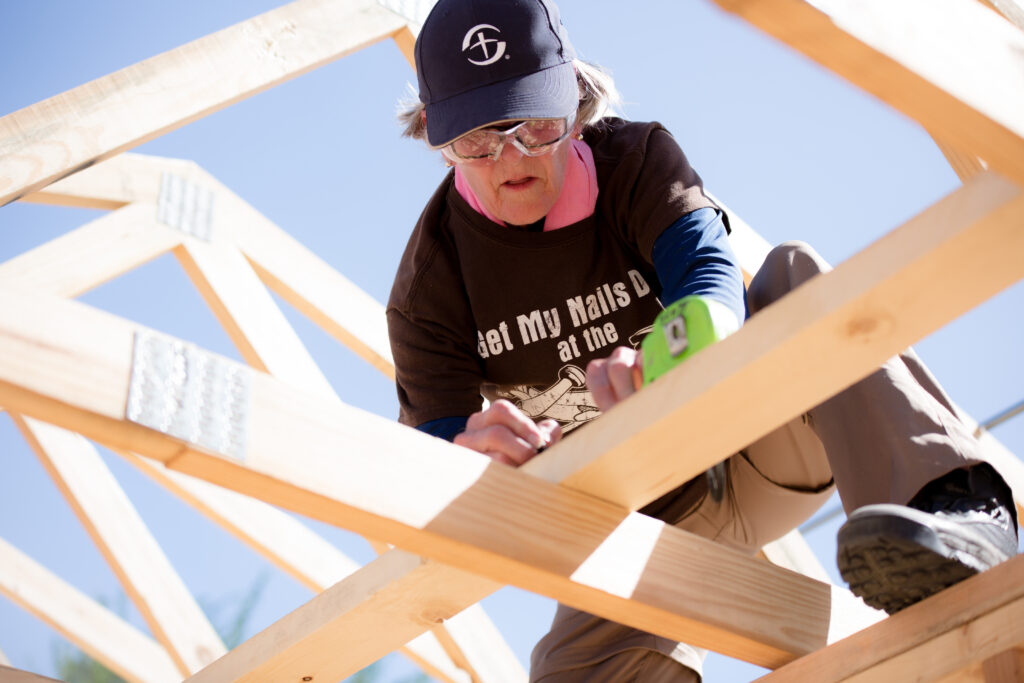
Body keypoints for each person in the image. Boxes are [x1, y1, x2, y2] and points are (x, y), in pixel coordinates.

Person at [386, 0, 1020, 679]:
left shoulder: (634, 161)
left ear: (575, 100)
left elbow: (713, 281)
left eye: (535, 127)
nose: (510, 158)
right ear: (432, 133)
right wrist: (464, 460)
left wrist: (672, 353)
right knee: (570, 672)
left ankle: (957, 507)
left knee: (796, 278)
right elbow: (428, 470)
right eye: (478, 141)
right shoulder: (432, 287)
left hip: (755, 447)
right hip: (639, 524)